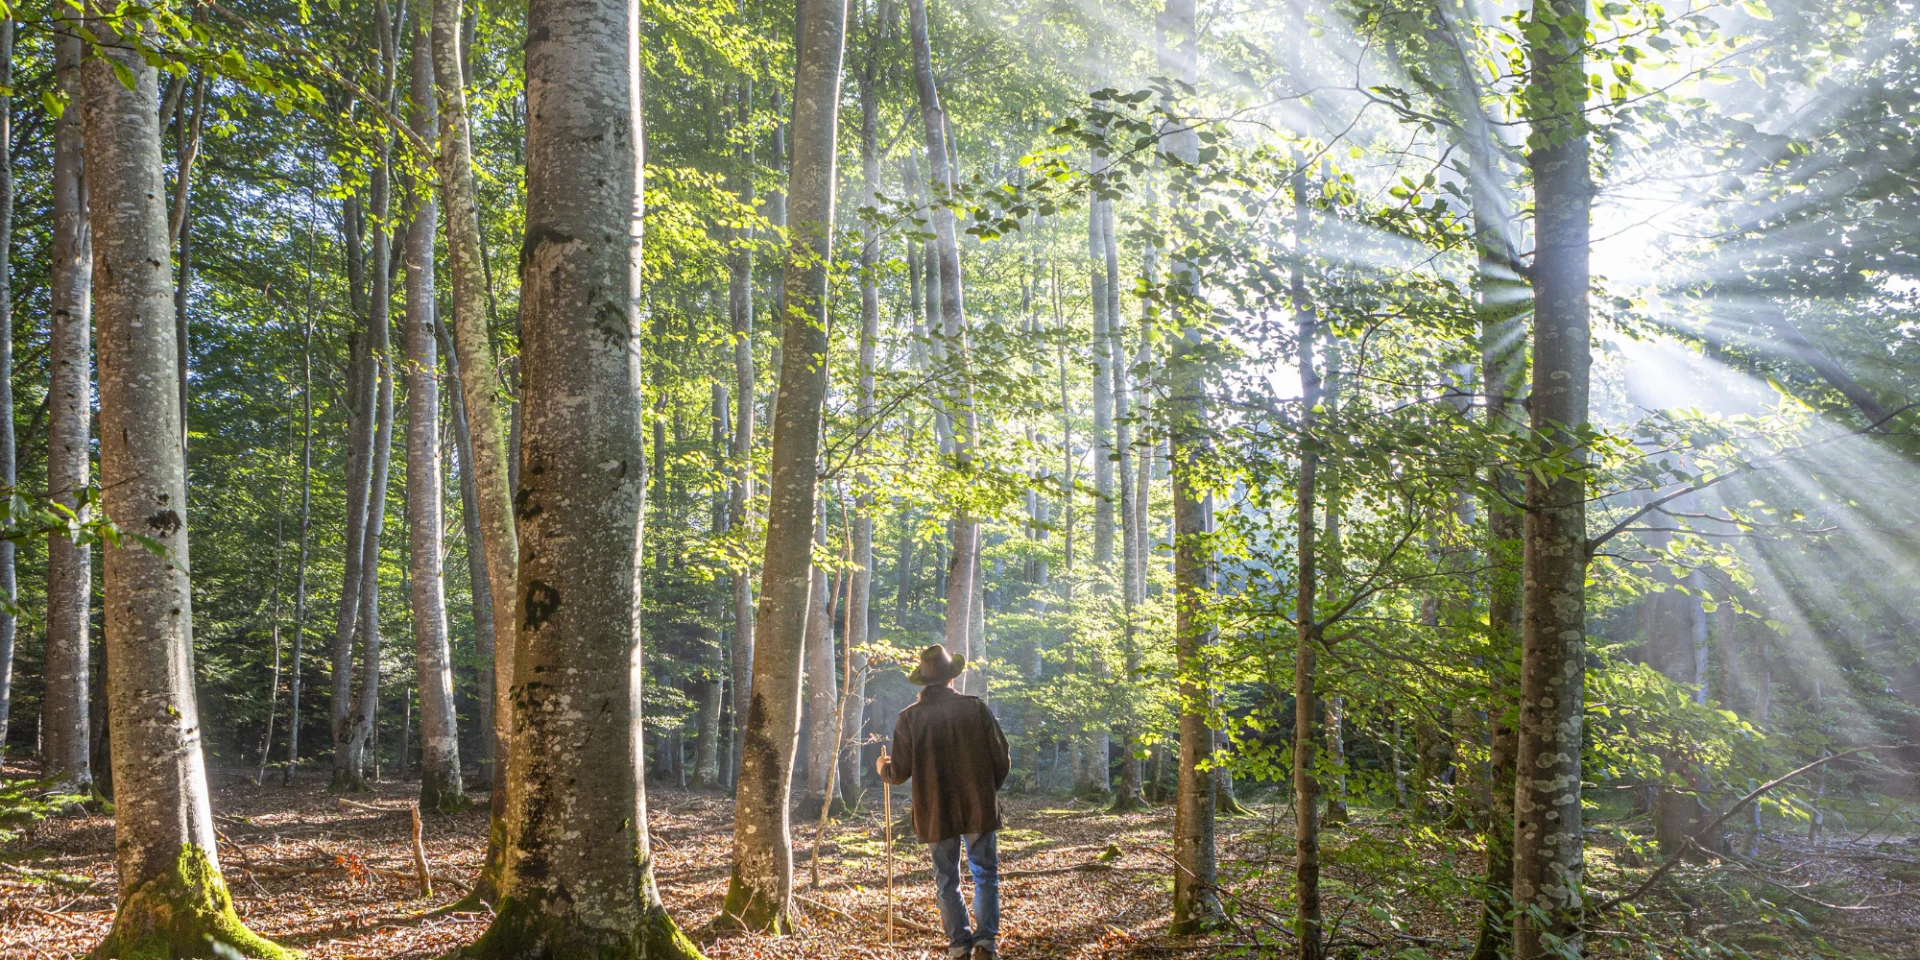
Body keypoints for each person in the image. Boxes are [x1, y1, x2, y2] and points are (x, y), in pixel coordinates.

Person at [877, 643, 1011, 960]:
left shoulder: (910, 718)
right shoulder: (975, 708)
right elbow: (1002, 759)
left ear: (924, 682)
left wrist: (883, 769)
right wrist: (986, 791)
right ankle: (986, 945)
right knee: (985, 875)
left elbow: (899, 773)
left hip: (935, 812)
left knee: (947, 880)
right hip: (978, 806)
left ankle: (960, 947)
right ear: (951, 678)